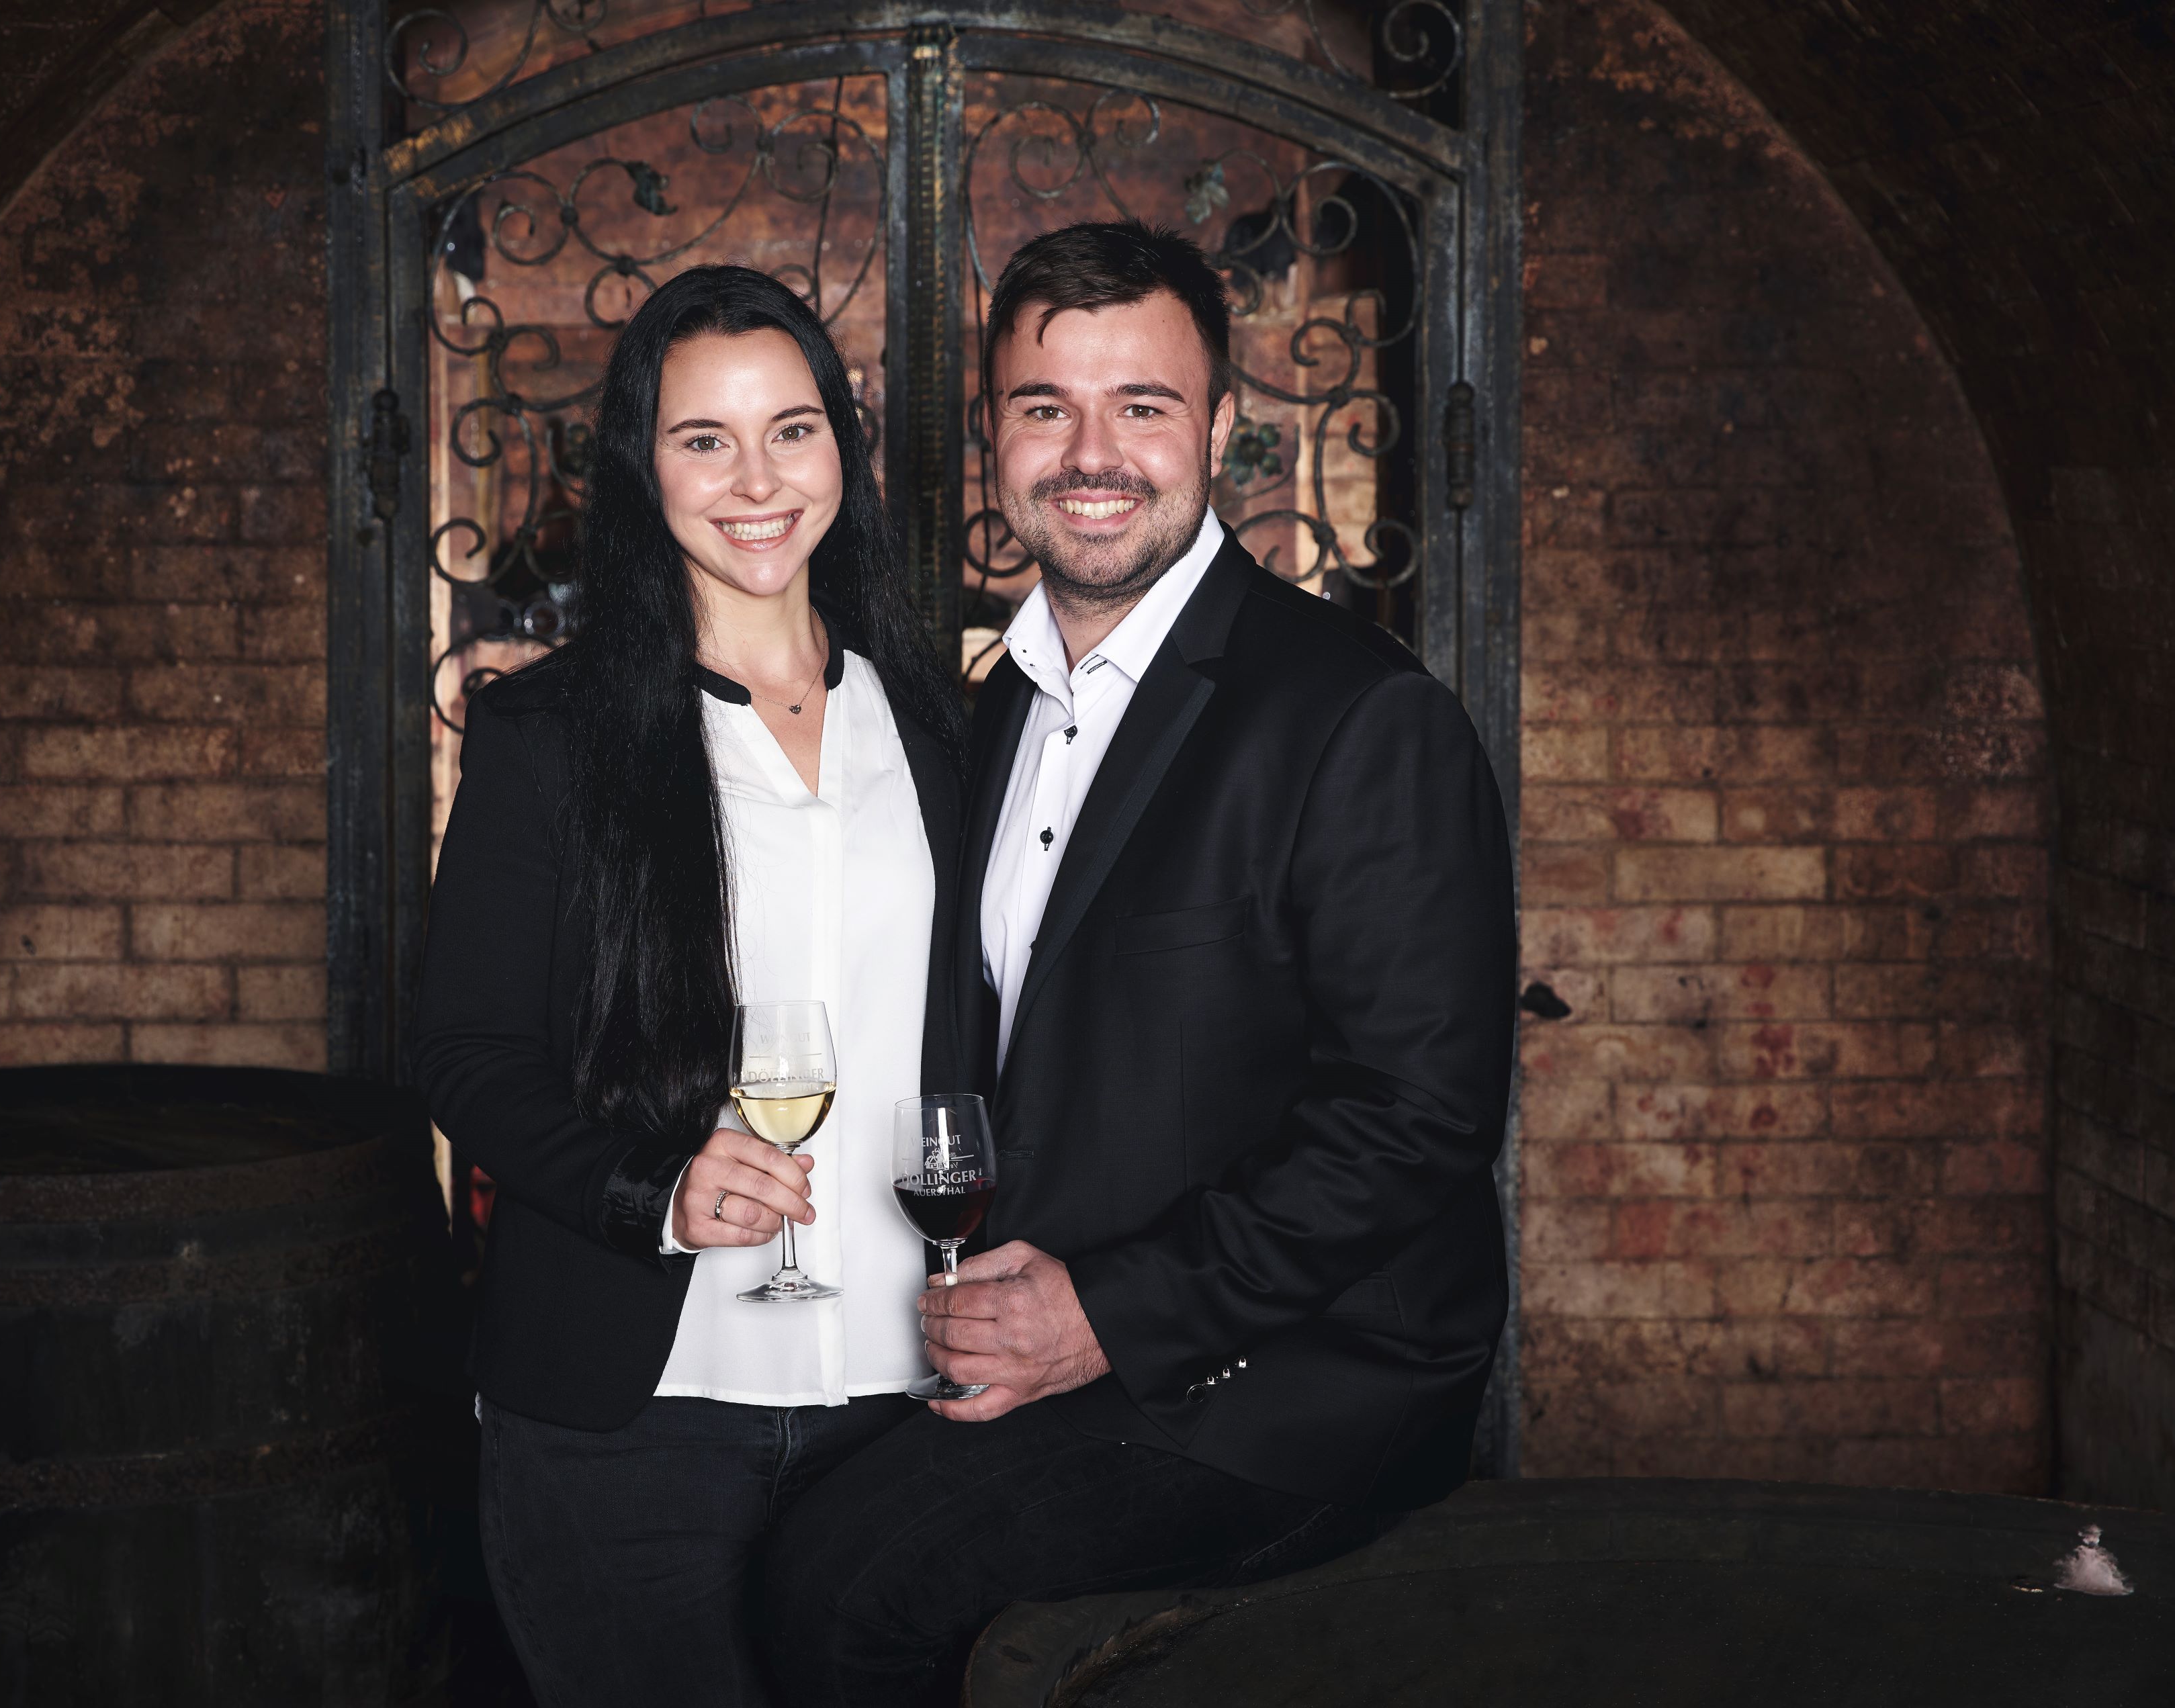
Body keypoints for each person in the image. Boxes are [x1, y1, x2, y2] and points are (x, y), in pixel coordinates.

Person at [757, 221, 1520, 1703]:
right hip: (1044, 1326)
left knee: (841, 1585)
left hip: (1294, 1376)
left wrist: (1102, 1313)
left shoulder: (1359, 717)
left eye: (1142, 409)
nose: (1089, 454)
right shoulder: (994, 714)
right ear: (992, 441)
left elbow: (1417, 1119)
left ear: (1222, 430)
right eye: (1046, 410)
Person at [409, 265, 966, 1706]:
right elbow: (463, 1050)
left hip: (911, 1405)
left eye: (792, 429)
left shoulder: (944, 719)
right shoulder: (549, 733)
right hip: (629, 1416)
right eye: (702, 439)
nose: (755, 479)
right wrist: (645, 1191)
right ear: (640, 466)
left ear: (842, 446)